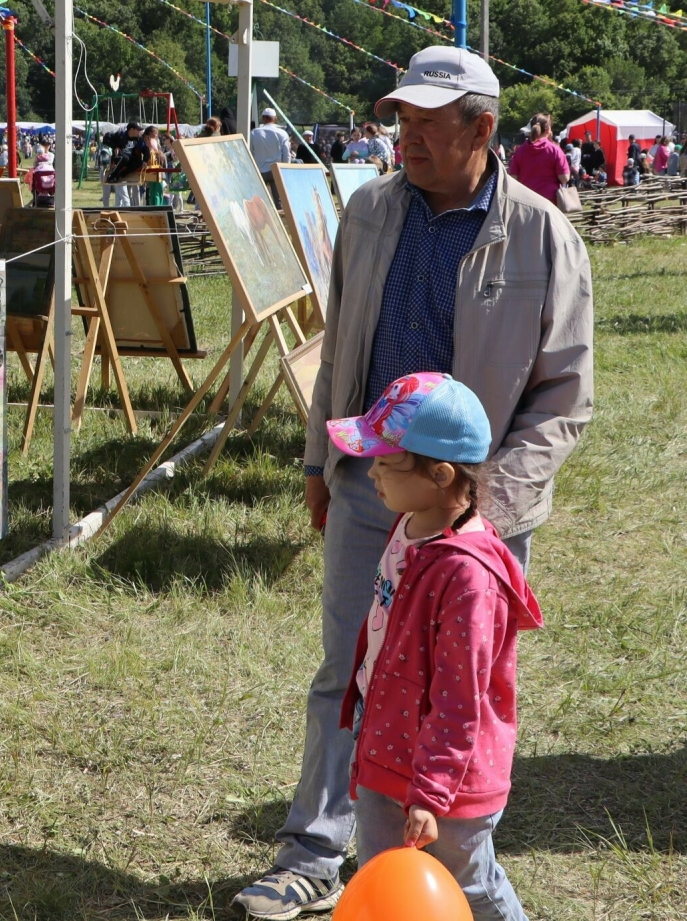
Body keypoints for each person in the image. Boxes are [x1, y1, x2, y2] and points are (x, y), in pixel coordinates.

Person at [232, 45, 592, 919]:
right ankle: (316, 849)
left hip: (479, 515)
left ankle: (455, 869)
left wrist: (484, 509)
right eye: (403, 122)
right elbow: (339, 349)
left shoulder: (543, 234)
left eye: (430, 125)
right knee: (349, 669)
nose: (410, 140)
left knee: (452, 686)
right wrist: (321, 461)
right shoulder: (368, 212)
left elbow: (565, 396)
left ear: (483, 128)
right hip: (369, 487)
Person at [327, 372, 540, 921]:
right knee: (382, 875)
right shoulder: (409, 526)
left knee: (466, 887)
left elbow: (459, 699)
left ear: (441, 474)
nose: (370, 470)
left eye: (385, 461)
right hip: (385, 753)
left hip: (448, 782)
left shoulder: (469, 577)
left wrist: (431, 793)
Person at [507, 113, 569, 207]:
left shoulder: (519, 151)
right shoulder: (555, 150)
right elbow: (564, 178)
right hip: (549, 203)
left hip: (525, 202)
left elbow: (513, 178)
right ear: (548, 130)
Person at [249, 107, 290, 205]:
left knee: (258, 201)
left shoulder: (254, 132)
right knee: (279, 202)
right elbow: (287, 154)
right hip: (276, 170)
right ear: (275, 118)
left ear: (263, 118)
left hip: (259, 170)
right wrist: (285, 169)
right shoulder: (282, 133)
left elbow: (250, 151)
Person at [105, 121, 147, 207]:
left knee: (138, 161)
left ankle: (120, 175)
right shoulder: (120, 135)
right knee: (125, 157)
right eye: (137, 130)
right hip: (119, 157)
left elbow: (146, 150)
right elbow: (106, 138)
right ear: (131, 130)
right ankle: (112, 176)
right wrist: (115, 146)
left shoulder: (138, 139)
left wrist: (145, 160)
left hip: (130, 159)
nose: (139, 132)